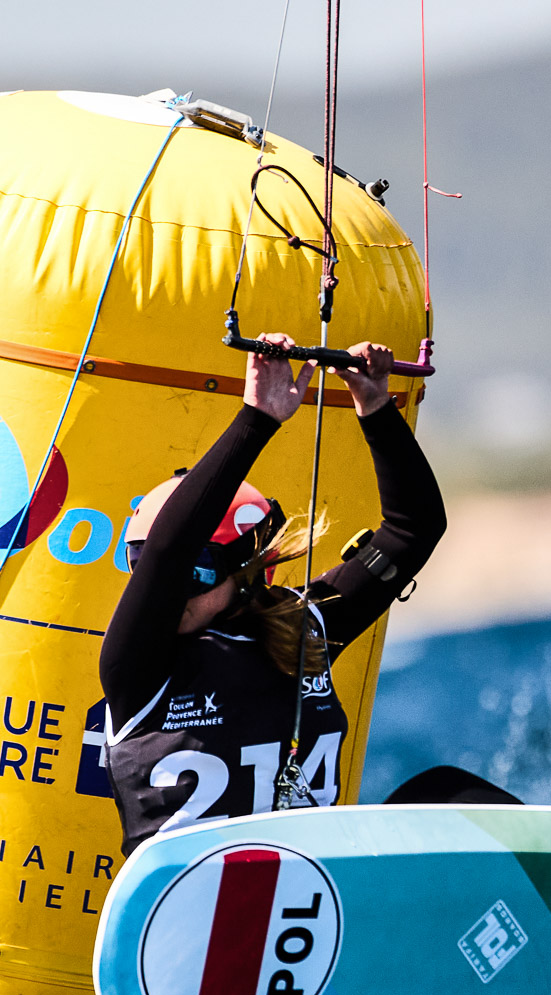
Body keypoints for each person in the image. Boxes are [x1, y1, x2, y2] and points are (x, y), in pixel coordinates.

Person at [96, 335, 505, 857]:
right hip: (193, 914)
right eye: (144, 569)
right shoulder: (138, 666)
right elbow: (169, 553)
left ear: (249, 571)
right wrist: (257, 417)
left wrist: (375, 405)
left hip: (308, 911)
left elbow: (414, 529)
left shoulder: (307, 626)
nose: (167, 590)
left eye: (197, 572)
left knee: (449, 795)